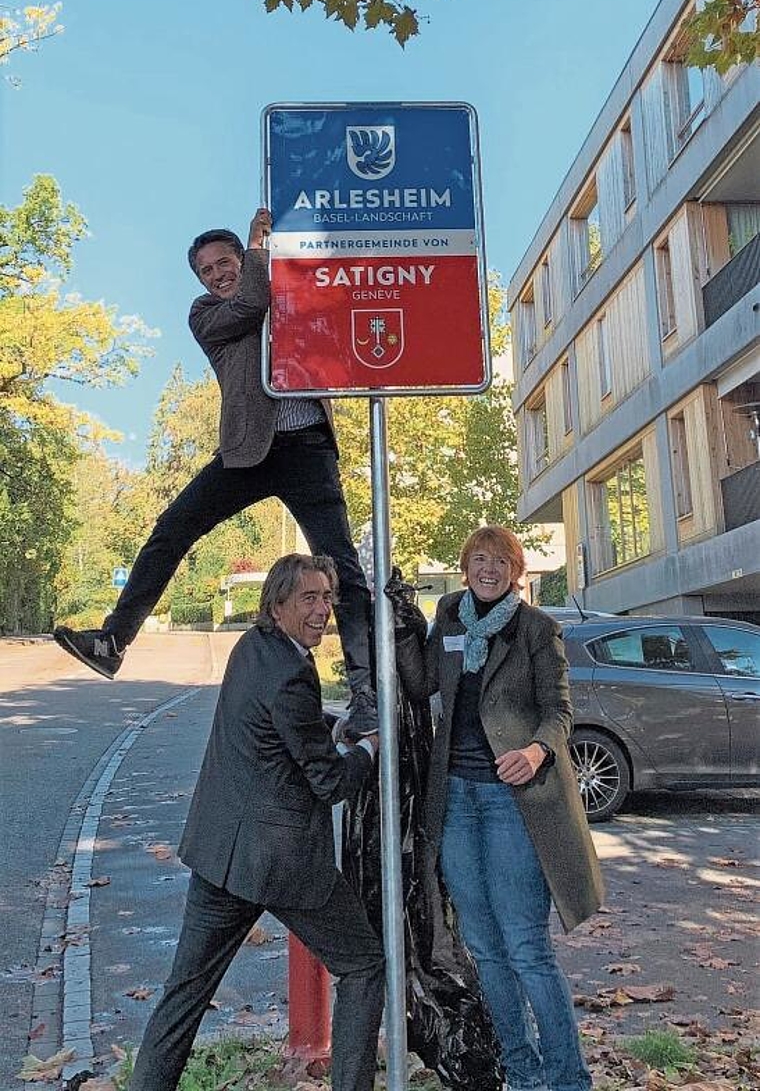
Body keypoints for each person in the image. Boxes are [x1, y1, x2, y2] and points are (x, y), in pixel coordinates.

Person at [54, 208, 376, 735]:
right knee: (171, 530)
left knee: (343, 568)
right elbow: (252, 302)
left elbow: (321, 305)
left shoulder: (286, 281)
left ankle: (367, 692)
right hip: (247, 451)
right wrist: (255, 250)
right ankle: (113, 641)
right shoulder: (206, 314)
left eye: (224, 262)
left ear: (239, 258)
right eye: (207, 270)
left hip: (307, 445)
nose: (217, 274)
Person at [128, 553, 385, 1091]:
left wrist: (331, 727)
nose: (323, 611)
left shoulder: (253, 648)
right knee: (363, 966)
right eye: (310, 599)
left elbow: (282, 724)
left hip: (221, 853)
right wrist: (366, 748)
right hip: (281, 861)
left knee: (185, 995)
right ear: (279, 605)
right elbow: (330, 783)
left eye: (327, 598)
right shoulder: (293, 671)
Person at [386, 525, 604, 1091]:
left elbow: (559, 712)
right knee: (483, 947)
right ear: (465, 568)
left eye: (500, 561)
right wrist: (407, 627)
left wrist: (535, 752)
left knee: (526, 946)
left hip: (514, 804)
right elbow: (419, 685)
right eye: (478, 559)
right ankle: (524, 1075)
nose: (488, 569)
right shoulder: (452, 617)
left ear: (516, 572)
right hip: (455, 799)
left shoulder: (538, 629)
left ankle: (567, 1079)